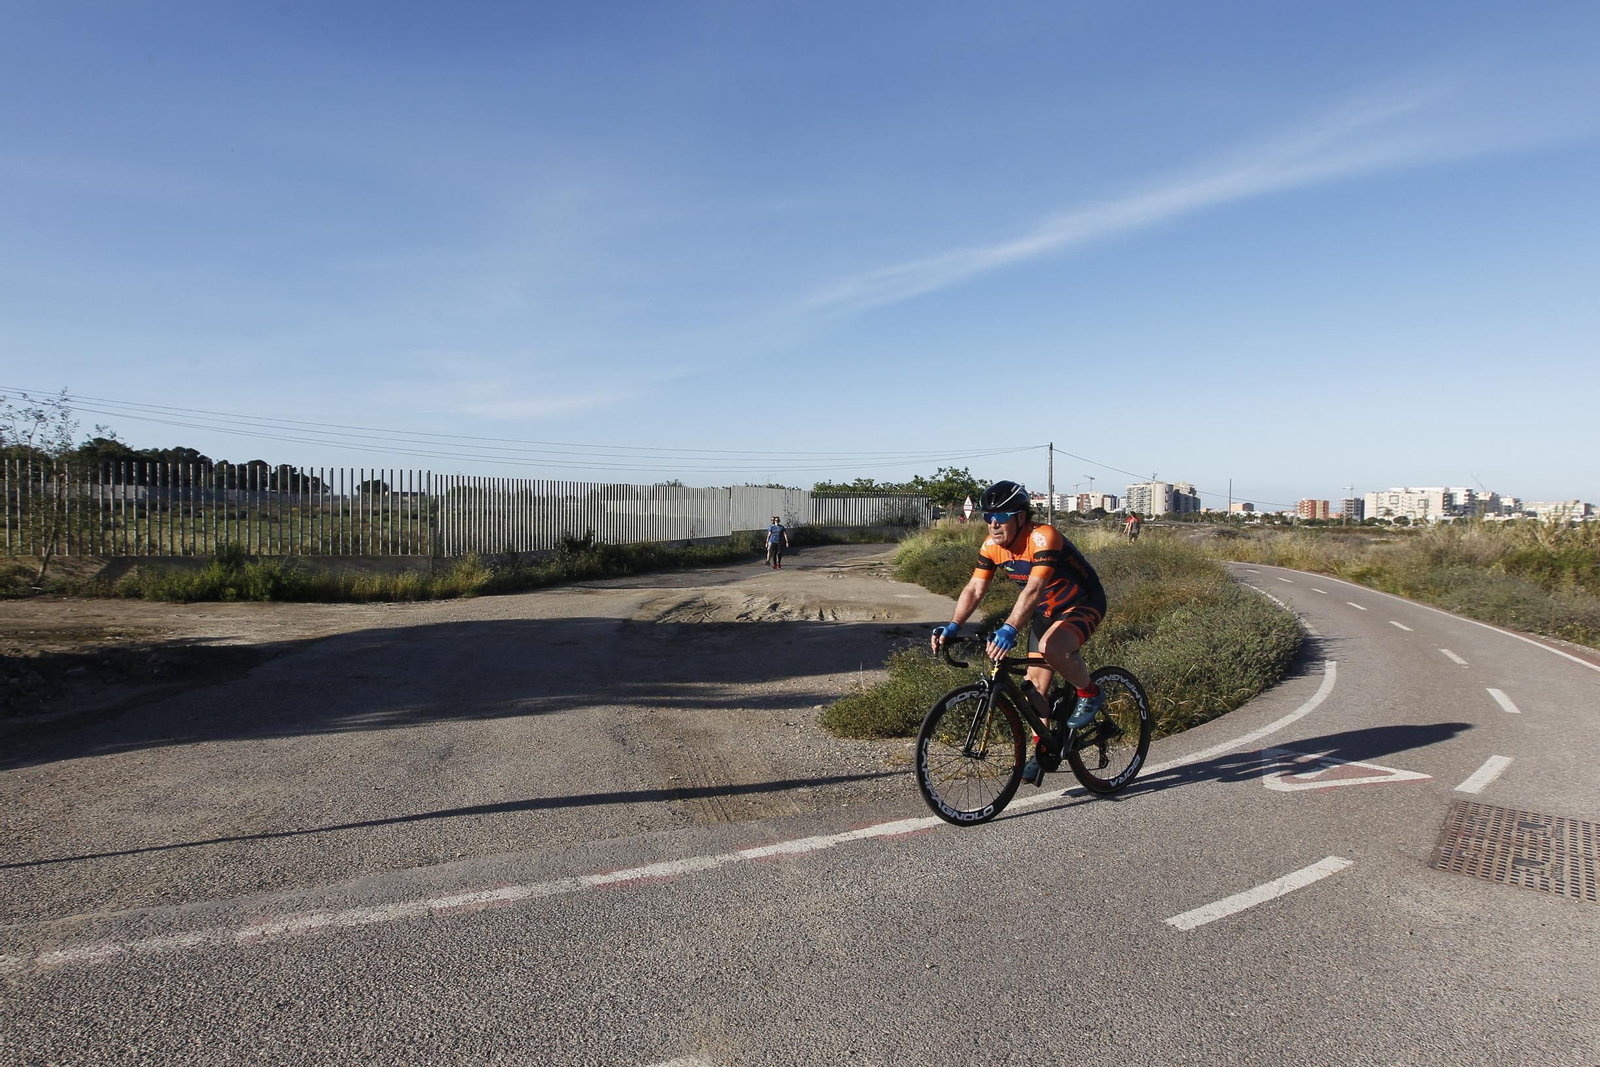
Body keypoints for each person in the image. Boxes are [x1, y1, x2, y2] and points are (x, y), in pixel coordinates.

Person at [929, 480, 1107, 785]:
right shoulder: (991, 547)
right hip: (1045, 613)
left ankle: (1090, 692)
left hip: (1082, 602)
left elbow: (1035, 588)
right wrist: (954, 624)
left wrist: (1010, 627)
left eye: (1001, 517)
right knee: (1032, 690)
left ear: (1021, 517)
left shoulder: (1042, 537)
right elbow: (975, 588)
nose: (993, 524)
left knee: (1054, 647)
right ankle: (1044, 749)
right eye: (987, 517)